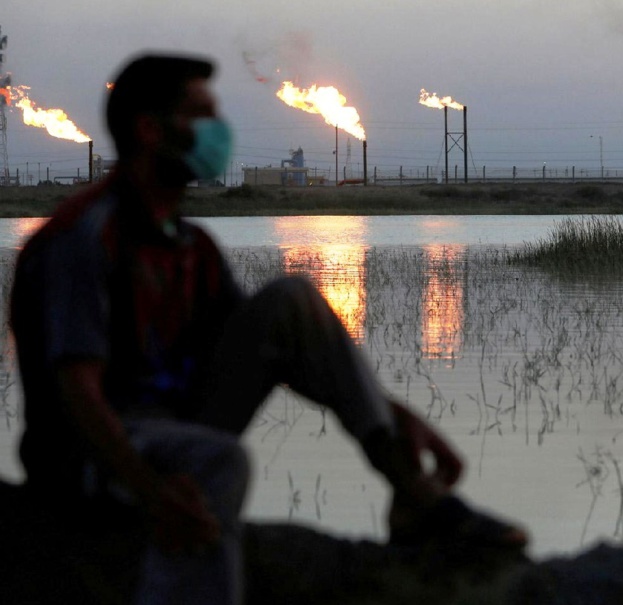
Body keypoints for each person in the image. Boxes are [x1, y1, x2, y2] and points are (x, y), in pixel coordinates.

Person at [10, 53, 526, 605]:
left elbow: (277, 344)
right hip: (89, 456)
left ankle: (411, 489)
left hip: (176, 424)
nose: (218, 131)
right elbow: (77, 393)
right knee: (217, 459)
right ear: (148, 130)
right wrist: (149, 488)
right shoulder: (83, 239)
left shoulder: (192, 247)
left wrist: (395, 417)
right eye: (201, 116)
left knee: (292, 301)